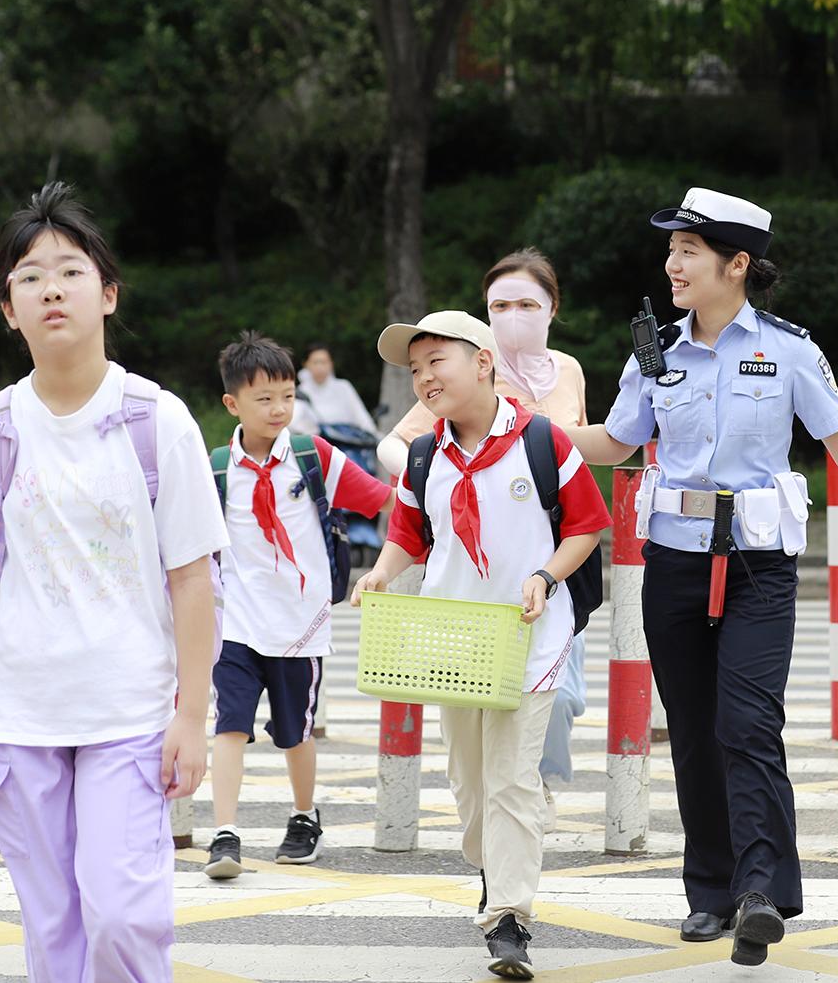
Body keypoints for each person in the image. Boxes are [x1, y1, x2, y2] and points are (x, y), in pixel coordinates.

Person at [563, 187, 838, 968]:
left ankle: (762, 890)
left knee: (749, 722)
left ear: (736, 264)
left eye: (688, 251)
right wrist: (528, 424)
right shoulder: (655, 349)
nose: (672, 264)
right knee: (694, 731)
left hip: (759, 566)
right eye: (671, 250)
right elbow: (616, 441)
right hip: (673, 562)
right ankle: (710, 891)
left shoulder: (789, 350)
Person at [0, 184, 227, 983]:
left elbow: (192, 578)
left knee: (122, 915)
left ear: (108, 293)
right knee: (54, 928)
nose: (51, 289)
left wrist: (192, 714)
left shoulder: (157, 420)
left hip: (128, 710)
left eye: (70, 271)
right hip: (17, 714)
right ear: (9, 310)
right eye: (29, 277)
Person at [355, 310, 610, 981]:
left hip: (530, 633)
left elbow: (587, 524)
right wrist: (381, 571)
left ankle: (509, 918)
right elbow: (408, 531)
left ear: (483, 362)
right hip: (454, 640)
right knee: (470, 785)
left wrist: (545, 576)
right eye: (416, 368)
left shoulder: (543, 441)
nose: (424, 377)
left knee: (511, 779)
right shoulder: (423, 454)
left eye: (436, 360)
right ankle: (495, 866)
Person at [376, 248, 591, 829]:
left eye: (527, 305)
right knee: (470, 779)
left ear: (552, 308)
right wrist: (423, 480)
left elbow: (586, 509)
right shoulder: (445, 400)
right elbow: (403, 476)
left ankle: (529, 792)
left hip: (539, 595)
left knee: (553, 712)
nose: (513, 315)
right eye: (500, 305)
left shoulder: (565, 376)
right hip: (460, 617)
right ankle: (497, 845)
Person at [203, 332, 391, 879]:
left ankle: (305, 816)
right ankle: (225, 833)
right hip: (236, 623)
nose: (278, 409)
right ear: (233, 404)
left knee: (296, 731)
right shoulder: (216, 469)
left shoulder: (314, 456)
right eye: (264, 399)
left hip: (299, 625)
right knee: (229, 726)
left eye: (287, 396)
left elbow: (381, 500)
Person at [293, 343, 379, 437]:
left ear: (331, 363)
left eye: (324, 362)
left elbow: (361, 416)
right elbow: (295, 422)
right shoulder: (301, 392)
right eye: (316, 362)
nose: (320, 367)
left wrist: (373, 436)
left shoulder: (343, 387)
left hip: (347, 439)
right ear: (306, 364)